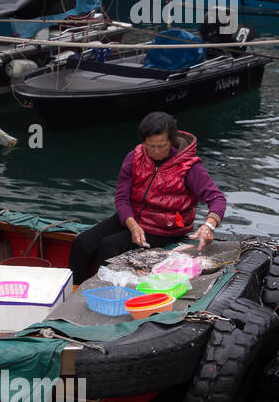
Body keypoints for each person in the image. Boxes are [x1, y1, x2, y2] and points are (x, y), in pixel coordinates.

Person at [68, 111, 226, 281]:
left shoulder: (189, 167)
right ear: (143, 142)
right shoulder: (134, 157)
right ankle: (72, 289)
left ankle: (103, 292)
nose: (156, 151)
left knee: (109, 246)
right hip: (133, 218)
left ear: (171, 141)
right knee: (82, 242)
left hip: (165, 227)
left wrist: (209, 225)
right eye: (151, 146)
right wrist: (133, 225)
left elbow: (217, 198)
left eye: (161, 146)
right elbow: (122, 198)